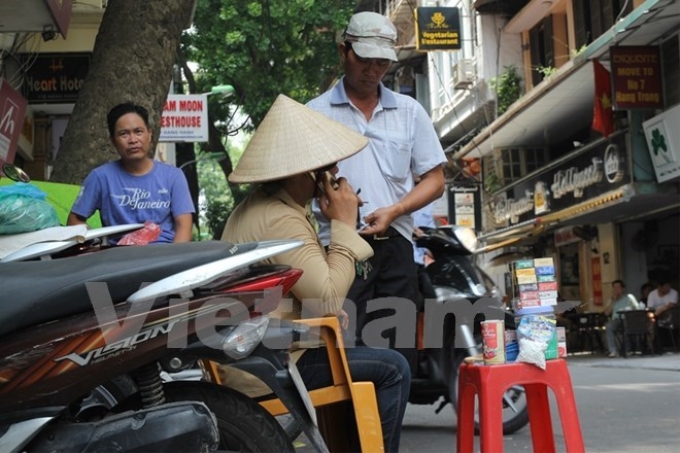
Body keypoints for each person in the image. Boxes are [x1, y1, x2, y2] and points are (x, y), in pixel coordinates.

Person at [220, 94, 410, 453]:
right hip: (268, 364)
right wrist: (344, 224)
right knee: (394, 368)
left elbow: (309, 294)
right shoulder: (281, 218)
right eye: (328, 168)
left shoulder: (266, 207)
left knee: (357, 351)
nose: (335, 175)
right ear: (304, 172)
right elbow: (327, 297)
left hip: (259, 352)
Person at [307, 11, 447, 347]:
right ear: (344, 51)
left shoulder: (410, 111)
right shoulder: (315, 113)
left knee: (397, 350)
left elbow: (435, 180)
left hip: (396, 247)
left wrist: (396, 210)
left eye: (382, 63)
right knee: (344, 351)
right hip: (338, 249)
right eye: (365, 60)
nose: (373, 71)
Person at [67, 102, 194, 243]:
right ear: (113, 141)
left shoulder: (173, 176)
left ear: (149, 134)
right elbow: (74, 221)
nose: (133, 140)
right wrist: (97, 246)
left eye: (138, 131)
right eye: (124, 134)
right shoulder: (100, 177)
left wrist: (174, 261)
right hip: (121, 260)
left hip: (163, 255)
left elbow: (185, 225)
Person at [603, 280, 639, 358]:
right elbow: (606, 313)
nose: (616, 290)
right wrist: (613, 301)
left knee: (627, 325)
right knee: (609, 326)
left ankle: (626, 349)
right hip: (617, 319)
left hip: (628, 319)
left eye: (618, 287)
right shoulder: (611, 300)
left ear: (623, 289)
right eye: (614, 288)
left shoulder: (629, 298)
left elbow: (637, 309)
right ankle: (613, 350)